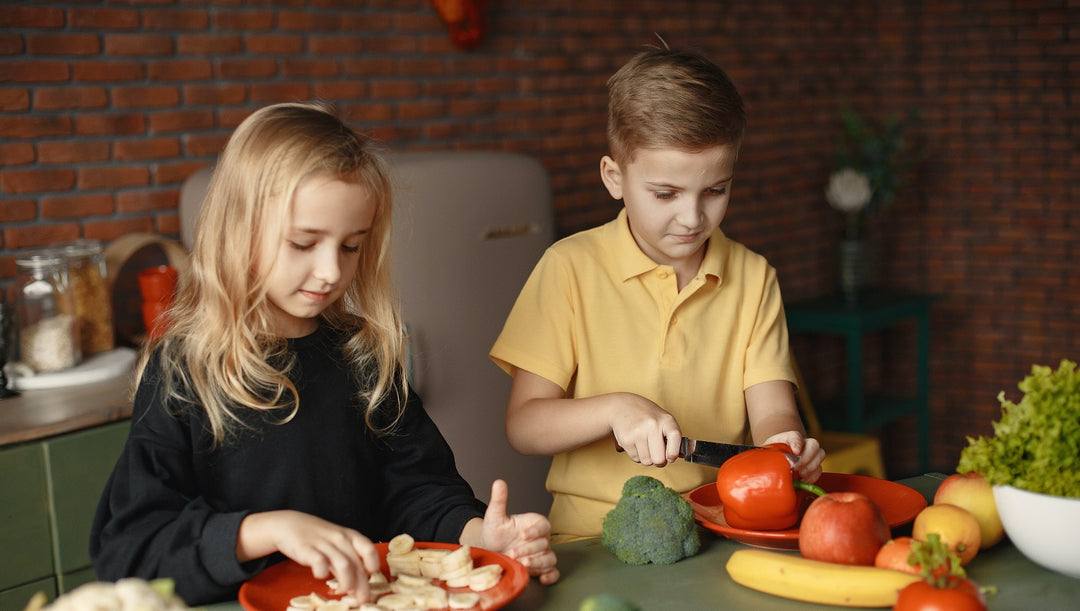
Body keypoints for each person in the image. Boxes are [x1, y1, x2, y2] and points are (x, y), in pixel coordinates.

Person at [90, 102, 559, 605]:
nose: (331, 271)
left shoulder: (363, 358)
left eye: (351, 246)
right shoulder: (184, 370)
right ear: (239, 230)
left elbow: (418, 492)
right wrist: (268, 531)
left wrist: (480, 538)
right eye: (303, 243)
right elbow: (130, 550)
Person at [489, 47, 826, 542]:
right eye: (666, 194)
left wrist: (786, 444)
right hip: (588, 540)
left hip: (715, 532)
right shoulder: (569, 268)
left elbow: (772, 411)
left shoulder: (755, 279)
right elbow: (524, 426)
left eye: (715, 191)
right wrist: (613, 409)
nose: (692, 218)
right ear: (614, 179)